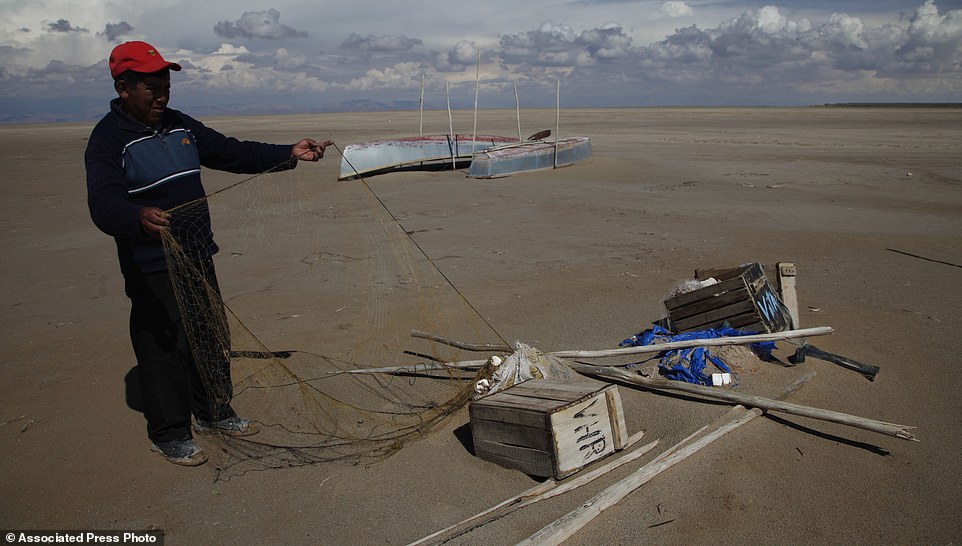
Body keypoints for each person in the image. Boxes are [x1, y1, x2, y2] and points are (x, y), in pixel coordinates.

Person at [84, 41, 334, 466]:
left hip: (197, 252)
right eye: (151, 88)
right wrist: (137, 216)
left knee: (209, 334)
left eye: (165, 84)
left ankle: (216, 412)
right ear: (123, 88)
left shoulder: (179, 125)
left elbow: (231, 150)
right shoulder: (108, 140)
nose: (162, 95)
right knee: (164, 346)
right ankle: (170, 432)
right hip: (151, 264)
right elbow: (103, 203)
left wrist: (287, 154)